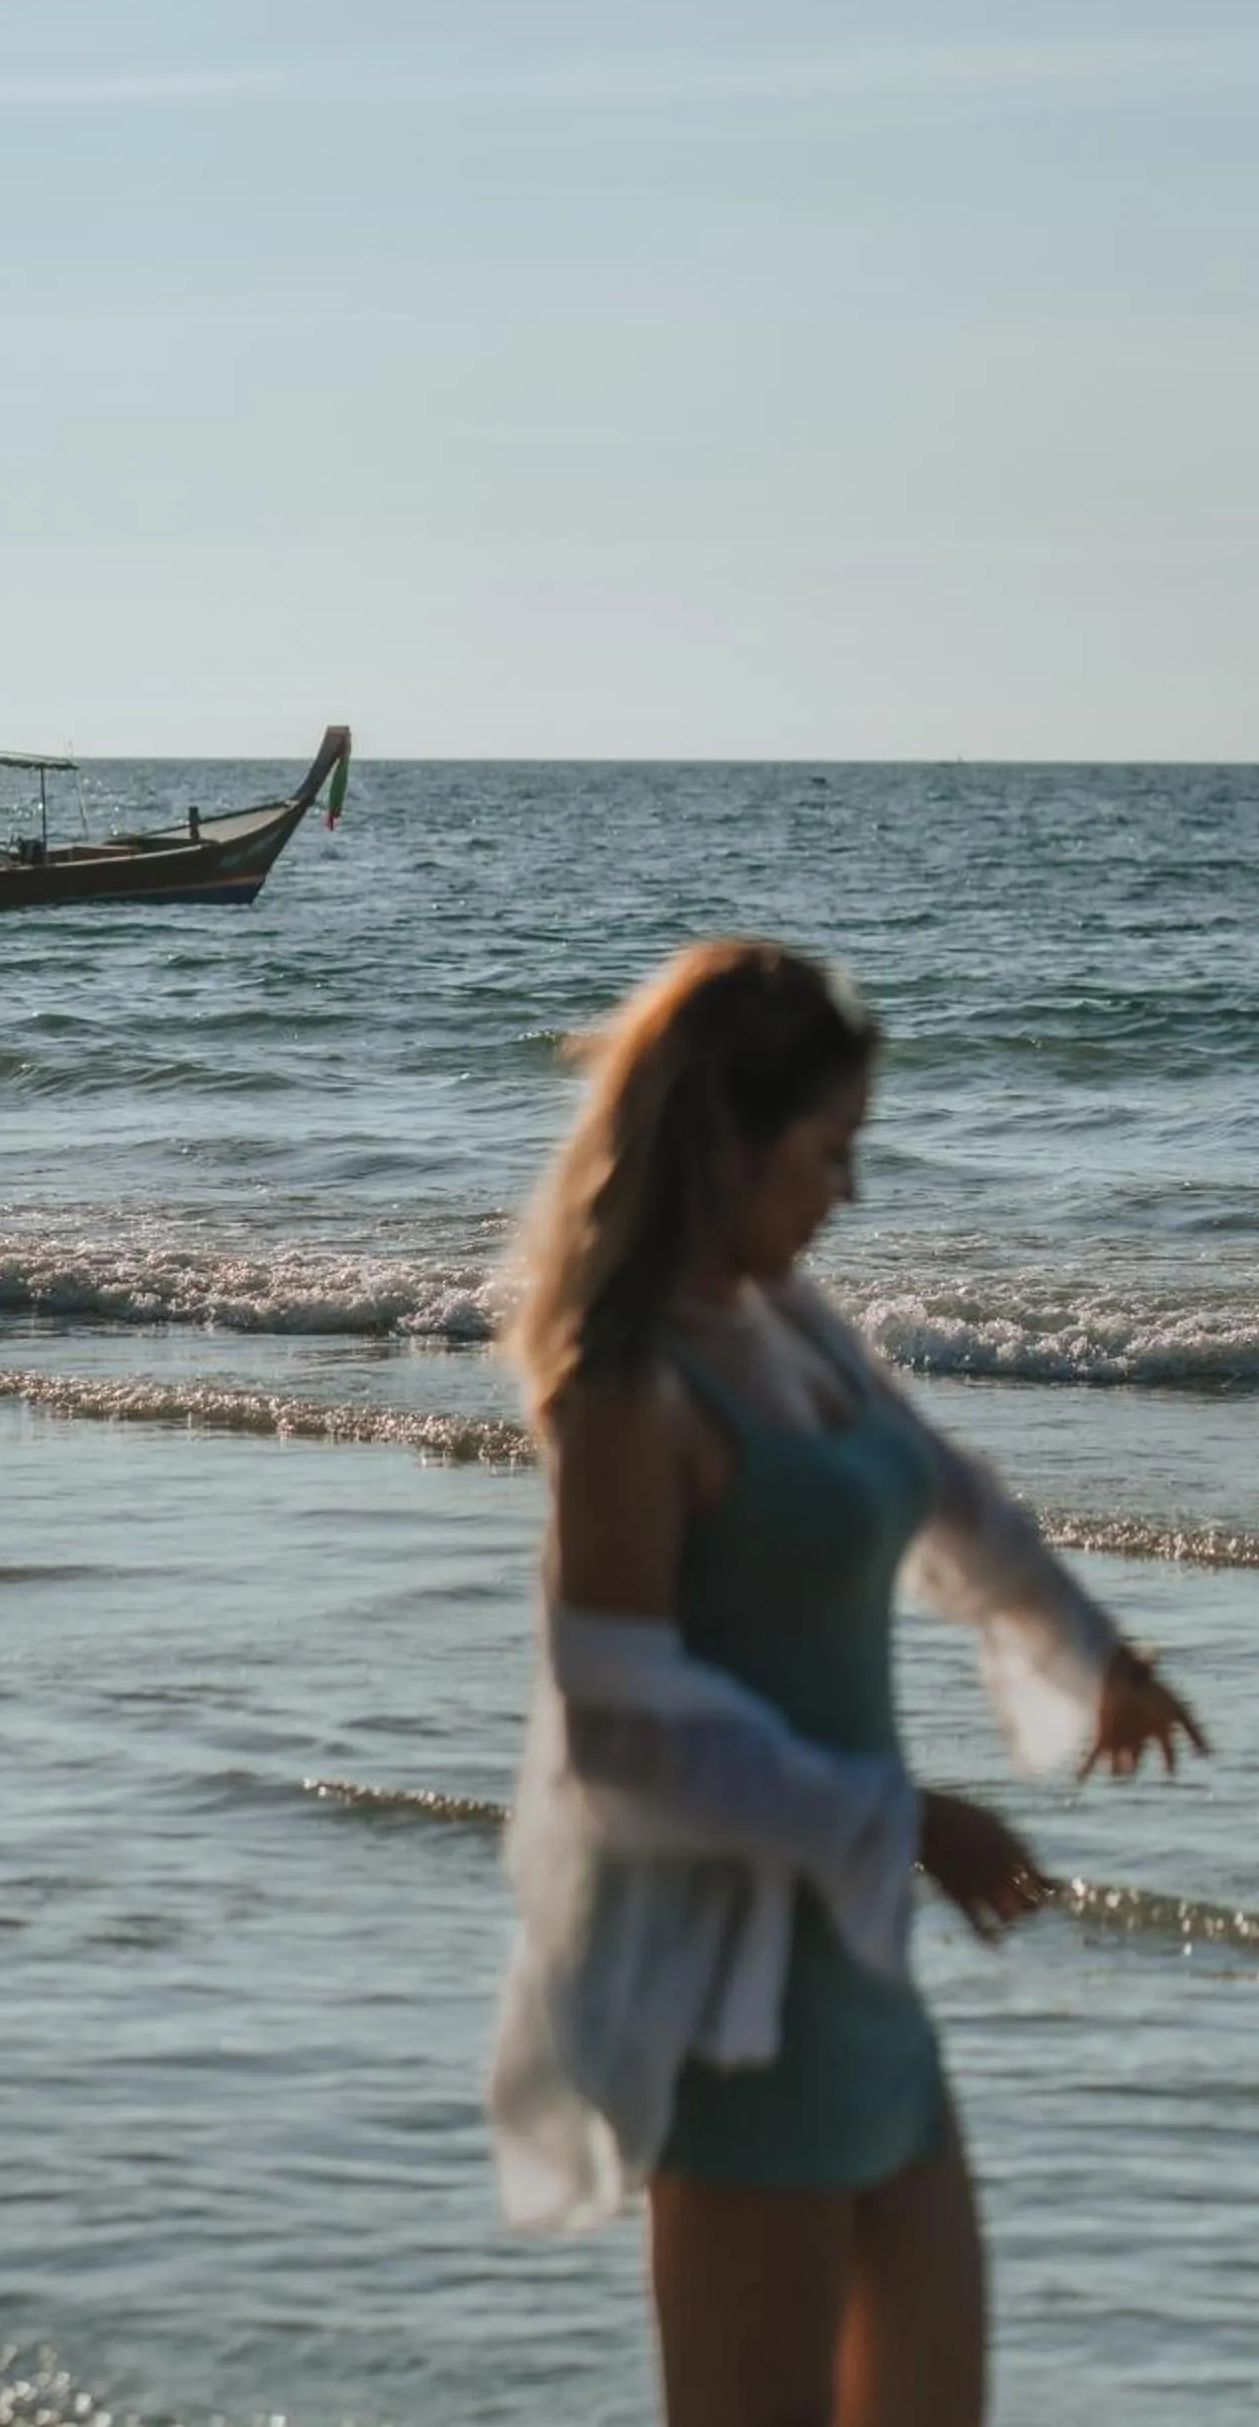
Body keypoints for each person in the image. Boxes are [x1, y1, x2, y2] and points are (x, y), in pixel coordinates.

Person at [486, 939, 1205, 2427]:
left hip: (865, 1987)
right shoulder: (629, 1396)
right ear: (725, 1143)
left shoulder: (792, 1326)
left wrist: (1098, 1655)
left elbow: (948, 1496)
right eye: (829, 1152)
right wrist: (913, 1819)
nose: (848, 1191)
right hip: (739, 2024)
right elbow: (621, 1740)